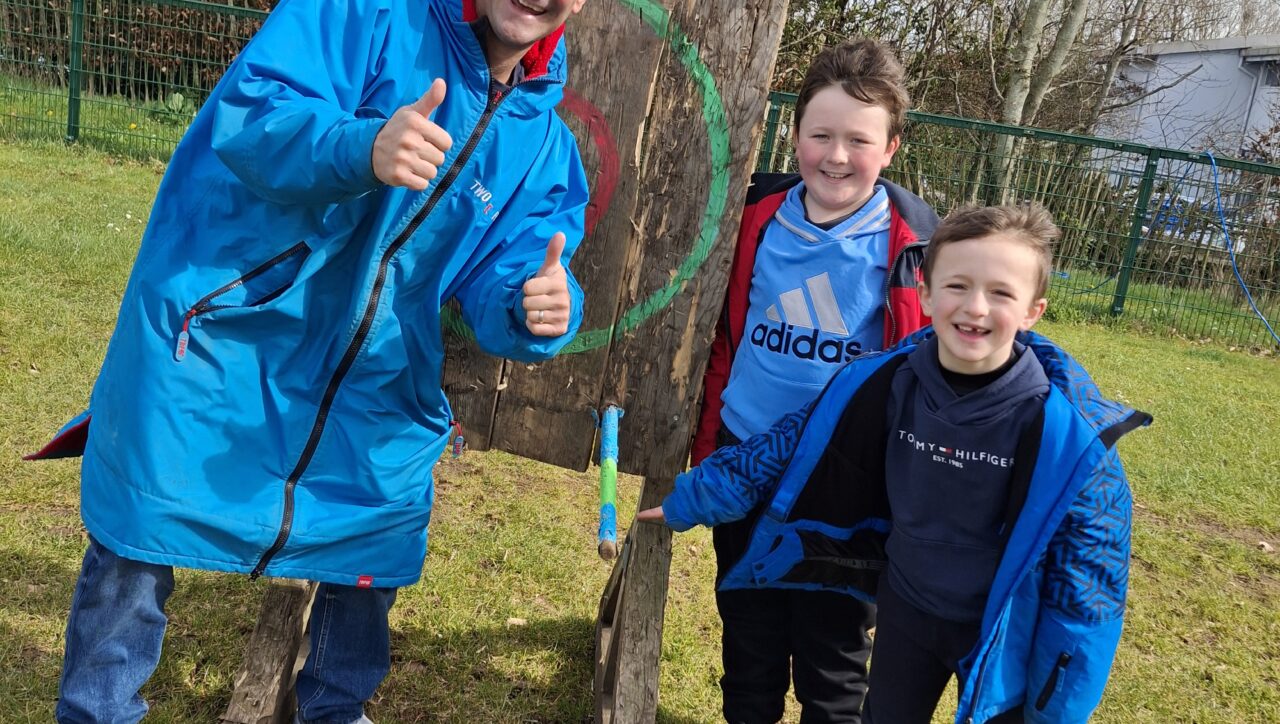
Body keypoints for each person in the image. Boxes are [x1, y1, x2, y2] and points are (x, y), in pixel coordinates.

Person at [27, 0, 590, 721]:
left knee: (373, 531)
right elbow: (255, 115)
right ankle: (97, 710)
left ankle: (336, 709)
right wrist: (361, 148)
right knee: (143, 520)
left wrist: (535, 306)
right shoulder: (362, 10)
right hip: (228, 325)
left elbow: (511, 268)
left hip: (369, 369)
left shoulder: (544, 144)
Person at [645, 204, 1151, 723]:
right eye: (957, 286)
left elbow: (1091, 589)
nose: (975, 307)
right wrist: (690, 500)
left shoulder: (1073, 439)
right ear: (926, 294)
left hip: (1000, 628)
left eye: (1000, 293)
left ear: (1032, 311)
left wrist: (1057, 711)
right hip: (906, 612)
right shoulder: (879, 381)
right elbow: (787, 443)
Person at [687, 39, 937, 722]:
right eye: (820, 134)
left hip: (847, 493)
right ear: (793, 134)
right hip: (745, 471)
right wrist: (712, 451)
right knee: (750, 650)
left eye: (859, 140)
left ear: (890, 149)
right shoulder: (752, 219)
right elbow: (724, 340)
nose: (835, 155)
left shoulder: (920, 249)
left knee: (833, 672)